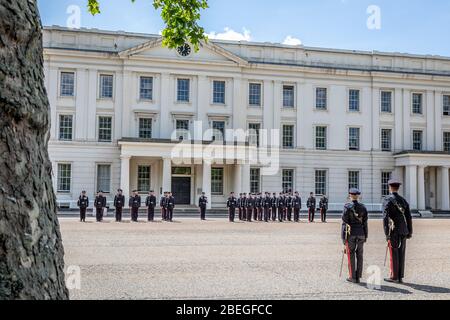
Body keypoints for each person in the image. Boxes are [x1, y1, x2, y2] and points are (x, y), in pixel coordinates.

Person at [383, 179, 413, 284]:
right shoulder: (403, 200)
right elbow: (408, 217)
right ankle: (400, 276)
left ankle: (394, 276)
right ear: (398, 188)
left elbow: (385, 218)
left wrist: (387, 233)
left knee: (394, 252)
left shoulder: (387, 200)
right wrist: (410, 231)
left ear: (390, 187)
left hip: (394, 229)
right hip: (404, 229)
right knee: (402, 253)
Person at [341, 188, 368, 284]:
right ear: (358, 196)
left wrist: (343, 238)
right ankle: (358, 276)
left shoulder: (347, 207)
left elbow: (344, 223)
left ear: (350, 195)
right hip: (361, 233)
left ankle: (352, 276)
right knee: (360, 255)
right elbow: (365, 223)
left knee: (351, 254)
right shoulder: (363, 207)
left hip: (351, 234)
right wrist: (366, 235)